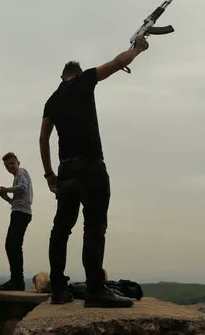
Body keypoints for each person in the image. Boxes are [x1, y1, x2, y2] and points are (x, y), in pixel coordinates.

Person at [39, 36, 150, 307]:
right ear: (76, 73)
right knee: (94, 227)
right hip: (90, 166)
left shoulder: (51, 101)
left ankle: (58, 290)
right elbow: (117, 62)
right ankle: (96, 290)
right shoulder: (85, 79)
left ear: (61, 75)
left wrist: (49, 175)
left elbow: (43, 139)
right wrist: (138, 48)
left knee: (61, 229)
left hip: (65, 171)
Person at [0, 152, 33, 291]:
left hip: (21, 213)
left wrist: (7, 189)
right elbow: (16, 201)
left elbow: (23, 187)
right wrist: (5, 196)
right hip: (19, 211)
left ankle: (17, 280)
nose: (10, 166)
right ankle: (17, 279)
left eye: (12, 163)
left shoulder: (21, 172)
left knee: (12, 245)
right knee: (13, 245)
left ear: (18, 162)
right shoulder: (17, 176)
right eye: (7, 165)